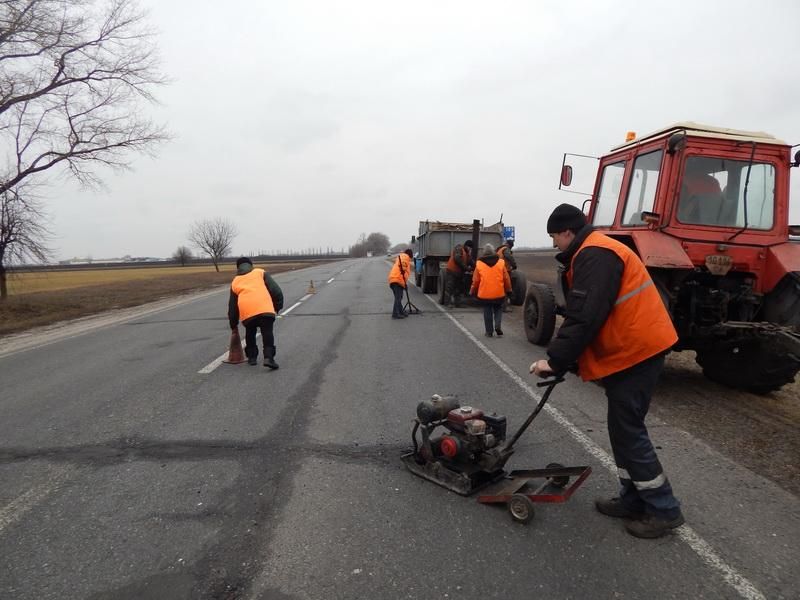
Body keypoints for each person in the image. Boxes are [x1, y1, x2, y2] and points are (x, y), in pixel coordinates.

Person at [530, 203, 684, 539]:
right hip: (628, 349)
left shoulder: (596, 253)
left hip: (638, 350)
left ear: (567, 232)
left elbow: (584, 315)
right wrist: (569, 362)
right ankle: (633, 498)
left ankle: (664, 509)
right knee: (621, 428)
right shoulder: (593, 251)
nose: (555, 243)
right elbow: (592, 317)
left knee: (628, 429)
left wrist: (554, 360)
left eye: (555, 236)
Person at [228, 257, 284, 368]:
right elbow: (276, 290)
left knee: (250, 332)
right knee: (267, 332)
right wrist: (277, 307)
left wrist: (233, 324)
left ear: (238, 267)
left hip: (247, 312)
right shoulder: (260, 272)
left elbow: (232, 307)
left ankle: (252, 358)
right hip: (265, 308)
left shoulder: (235, 281)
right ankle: (269, 358)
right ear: (251, 264)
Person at [470, 243, 512, 337]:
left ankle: (489, 332)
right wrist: (509, 290)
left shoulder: (479, 264)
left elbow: (476, 280)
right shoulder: (501, 263)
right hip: (499, 293)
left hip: (485, 294)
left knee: (487, 311)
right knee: (498, 309)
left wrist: (472, 290)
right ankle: (497, 325)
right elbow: (506, 278)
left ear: (484, 253)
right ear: (493, 252)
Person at [444, 239, 473, 307]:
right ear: (466, 246)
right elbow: (457, 259)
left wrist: (476, 267)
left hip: (459, 273)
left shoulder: (467, 253)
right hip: (452, 271)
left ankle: (458, 303)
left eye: (471, 248)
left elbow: (470, 261)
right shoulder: (459, 248)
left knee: (458, 288)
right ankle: (447, 303)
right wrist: (467, 268)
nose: (470, 249)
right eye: (469, 247)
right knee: (450, 287)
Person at [388, 249, 413, 319]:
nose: (410, 259)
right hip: (397, 279)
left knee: (399, 297)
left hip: (394, 279)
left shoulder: (401, 256)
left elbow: (402, 271)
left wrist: (404, 284)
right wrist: (404, 268)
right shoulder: (405, 257)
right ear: (410, 254)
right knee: (398, 298)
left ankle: (401, 311)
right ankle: (395, 314)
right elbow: (403, 269)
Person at [496, 238, 517, 312]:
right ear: (509, 245)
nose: (510, 248)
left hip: (498, 270)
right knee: (506, 288)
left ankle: (498, 305)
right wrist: (514, 265)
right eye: (510, 246)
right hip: (504, 271)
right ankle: (504, 307)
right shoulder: (506, 249)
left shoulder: (500, 249)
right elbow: (508, 256)